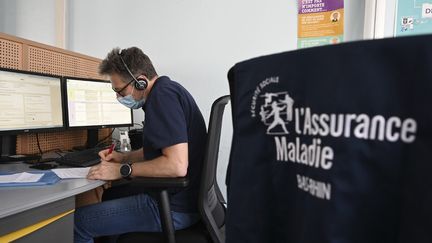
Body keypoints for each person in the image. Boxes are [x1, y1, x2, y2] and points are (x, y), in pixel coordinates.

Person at [74, 47, 207, 243]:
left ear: (140, 81)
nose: (118, 97)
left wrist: (122, 170)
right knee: (111, 194)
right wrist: (124, 157)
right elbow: (160, 151)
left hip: (174, 208)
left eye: (120, 90)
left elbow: (175, 165)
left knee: (78, 223)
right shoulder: (167, 91)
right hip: (186, 200)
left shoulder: (162, 98)